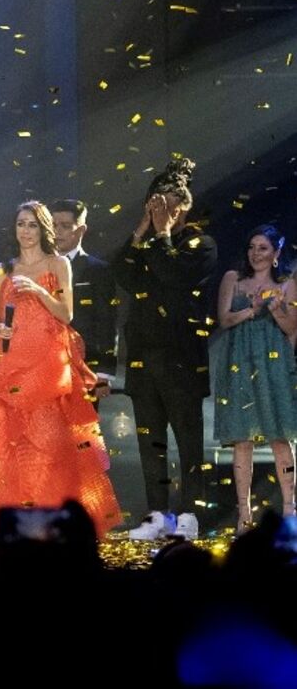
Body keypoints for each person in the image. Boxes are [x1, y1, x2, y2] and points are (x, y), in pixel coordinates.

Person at [0, 201, 121, 538]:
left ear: (42, 229)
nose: (26, 231)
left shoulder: (58, 263)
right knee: (7, 443)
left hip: (48, 363)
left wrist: (40, 292)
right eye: (21, 224)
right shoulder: (3, 270)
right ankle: (10, 521)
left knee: (51, 442)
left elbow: (67, 314)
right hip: (13, 363)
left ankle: (55, 521)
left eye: (32, 225)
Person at [113, 157, 217, 541]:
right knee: (149, 438)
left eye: (168, 203)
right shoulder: (147, 241)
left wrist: (161, 234)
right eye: (154, 203)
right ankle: (156, 513)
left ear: (184, 205)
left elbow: (173, 274)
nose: (161, 210)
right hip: (143, 357)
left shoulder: (201, 245)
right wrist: (141, 231)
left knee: (188, 437)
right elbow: (122, 273)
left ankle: (190, 511)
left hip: (182, 358)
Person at [212, 224, 297, 533]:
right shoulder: (234, 280)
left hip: (273, 363)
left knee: (279, 436)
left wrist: (275, 310)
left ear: (275, 253)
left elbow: (291, 329)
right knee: (242, 437)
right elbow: (224, 320)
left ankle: (289, 509)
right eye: (252, 247)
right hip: (239, 362)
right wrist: (252, 309)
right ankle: (243, 513)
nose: (256, 253)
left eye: (263, 248)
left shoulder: (288, 284)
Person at [49, 200, 118, 391]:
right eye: (53, 225)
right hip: (42, 364)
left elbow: (107, 321)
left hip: (83, 365)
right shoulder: (36, 266)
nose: (57, 232)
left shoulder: (98, 270)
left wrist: (103, 373)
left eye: (65, 226)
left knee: (81, 421)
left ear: (81, 230)